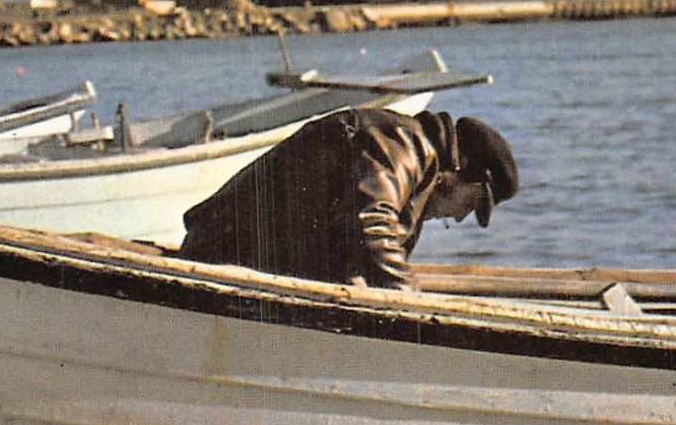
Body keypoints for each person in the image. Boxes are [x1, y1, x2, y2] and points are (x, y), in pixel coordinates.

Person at [177, 108, 518, 291]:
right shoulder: (401, 144)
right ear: (456, 173)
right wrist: (408, 300)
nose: (460, 218)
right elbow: (370, 222)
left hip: (251, 260)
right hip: (220, 253)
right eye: (470, 205)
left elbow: (377, 249)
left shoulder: (415, 185)